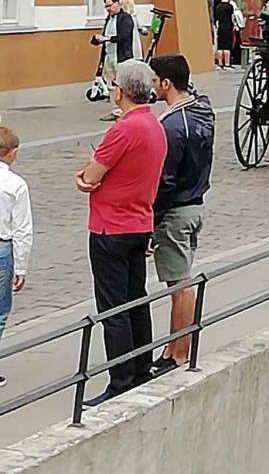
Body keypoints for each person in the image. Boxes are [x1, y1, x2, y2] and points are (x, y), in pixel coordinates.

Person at [76, 60, 166, 406]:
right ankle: (141, 368)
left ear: (121, 91)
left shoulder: (123, 129)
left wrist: (83, 178)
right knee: (136, 300)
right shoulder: (154, 125)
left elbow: (91, 175)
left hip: (110, 226)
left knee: (114, 308)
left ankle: (121, 380)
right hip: (139, 223)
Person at [147, 55, 213, 374]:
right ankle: (177, 347)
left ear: (166, 83)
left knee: (179, 284)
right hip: (196, 204)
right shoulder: (201, 109)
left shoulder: (173, 126)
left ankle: (177, 353)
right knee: (181, 279)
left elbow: (166, 181)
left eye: (154, 79)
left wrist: (151, 223)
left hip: (177, 211)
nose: (151, 85)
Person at [0, 124, 33, 385]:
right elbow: (23, 229)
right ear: (11, 153)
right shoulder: (15, 184)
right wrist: (21, 267)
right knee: (0, 311)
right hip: (2, 247)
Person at [90, 0, 136, 119]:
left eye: (110, 6)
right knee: (111, 83)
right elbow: (106, 36)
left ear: (118, 4)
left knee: (122, 84)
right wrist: (98, 40)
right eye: (106, 6)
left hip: (121, 56)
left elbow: (125, 37)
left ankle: (124, 110)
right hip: (109, 55)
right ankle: (116, 110)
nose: (108, 9)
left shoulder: (125, 18)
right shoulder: (108, 20)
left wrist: (107, 39)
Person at [212, 0, 236, 69]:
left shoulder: (218, 6)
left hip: (220, 26)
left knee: (220, 46)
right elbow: (232, 17)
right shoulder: (229, 6)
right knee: (227, 46)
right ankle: (227, 64)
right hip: (228, 26)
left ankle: (220, 64)